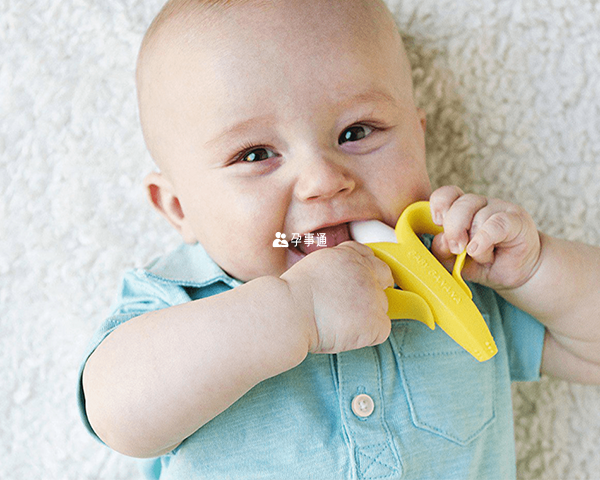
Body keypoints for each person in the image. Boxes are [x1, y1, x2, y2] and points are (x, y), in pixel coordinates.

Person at [77, 0, 600, 478]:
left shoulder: (452, 282)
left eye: (358, 132)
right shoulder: (179, 302)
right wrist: (295, 310)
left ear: (419, 138)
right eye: (256, 155)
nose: (324, 179)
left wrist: (535, 271)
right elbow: (116, 414)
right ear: (178, 207)